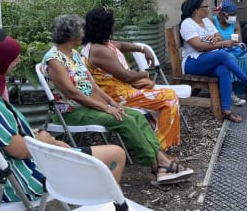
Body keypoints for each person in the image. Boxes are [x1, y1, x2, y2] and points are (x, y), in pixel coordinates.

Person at [0, 18, 127, 203]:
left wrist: (34, 138)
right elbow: (21, 151)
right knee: (116, 154)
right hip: (21, 182)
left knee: (65, 147)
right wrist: (43, 140)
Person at [42, 14, 192, 185]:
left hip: (91, 105)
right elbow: (73, 94)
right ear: (72, 36)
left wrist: (112, 103)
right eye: (81, 30)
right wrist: (105, 108)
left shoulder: (73, 55)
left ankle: (160, 164)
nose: (85, 32)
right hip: (73, 111)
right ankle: (159, 164)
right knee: (124, 120)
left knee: (135, 116)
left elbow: (93, 85)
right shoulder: (54, 60)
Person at [80, 7, 181, 150]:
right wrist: (144, 74)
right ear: (106, 26)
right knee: (169, 97)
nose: (114, 25)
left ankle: (154, 140)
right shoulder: (99, 50)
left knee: (163, 94)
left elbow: (121, 45)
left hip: (124, 91)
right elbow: (126, 76)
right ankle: (159, 148)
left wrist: (142, 49)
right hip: (116, 97)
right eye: (112, 23)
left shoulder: (102, 44)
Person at [179, 0, 247, 124]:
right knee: (223, 54)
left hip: (208, 59)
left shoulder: (206, 22)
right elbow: (198, 46)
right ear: (196, 9)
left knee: (223, 70)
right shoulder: (187, 24)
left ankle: (226, 110)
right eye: (205, 6)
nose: (208, 8)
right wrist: (220, 44)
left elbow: (218, 36)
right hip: (193, 62)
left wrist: (216, 39)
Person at [212, 0, 247, 105]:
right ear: (222, 14)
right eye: (231, 14)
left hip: (234, 47)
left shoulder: (234, 22)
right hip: (221, 49)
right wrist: (225, 42)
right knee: (230, 58)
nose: (233, 17)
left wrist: (237, 42)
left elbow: (239, 38)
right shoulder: (213, 21)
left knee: (245, 56)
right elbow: (214, 39)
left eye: (235, 14)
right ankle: (231, 93)